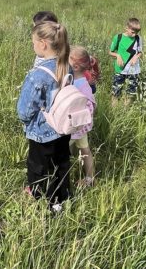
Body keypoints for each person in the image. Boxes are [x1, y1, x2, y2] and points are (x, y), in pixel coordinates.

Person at [17, 21, 72, 211]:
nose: (33, 46)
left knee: (38, 167)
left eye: (33, 42)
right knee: (61, 163)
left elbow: (24, 110)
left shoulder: (38, 74)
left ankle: (40, 199)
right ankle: (61, 198)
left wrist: (26, 122)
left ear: (43, 44)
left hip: (42, 131)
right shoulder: (66, 65)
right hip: (64, 128)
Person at [68, 46, 97, 187]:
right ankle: (89, 178)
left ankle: (61, 180)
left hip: (72, 128)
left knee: (61, 154)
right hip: (82, 128)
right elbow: (93, 106)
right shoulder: (85, 84)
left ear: (75, 65)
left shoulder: (71, 84)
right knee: (85, 150)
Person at [108, 17, 143, 105]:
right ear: (126, 28)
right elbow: (110, 52)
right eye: (133, 32)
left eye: (137, 32)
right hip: (120, 69)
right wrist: (118, 55)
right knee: (116, 91)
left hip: (133, 70)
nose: (135, 34)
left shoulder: (138, 38)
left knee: (130, 92)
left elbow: (140, 52)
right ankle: (114, 110)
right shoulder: (118, 37)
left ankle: (126, 109)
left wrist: (136, 57)